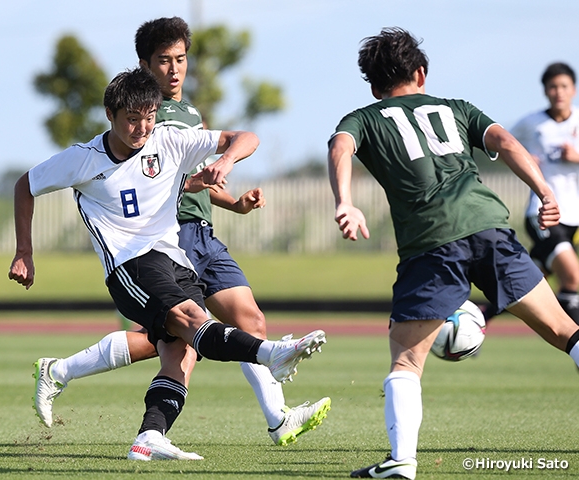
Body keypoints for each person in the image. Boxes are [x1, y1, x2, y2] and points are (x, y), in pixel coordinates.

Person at [29, 17, 331, 449]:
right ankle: (272, 402)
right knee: (184, 339)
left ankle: (98, 397)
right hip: (168, 236)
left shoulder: (185, 113)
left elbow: (193, 174)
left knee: (206, 333)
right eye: (164, 61)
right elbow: (161, 182)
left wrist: (231, 197)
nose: (174, 69)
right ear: (144, 66)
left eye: (181, 59)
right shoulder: (147, 119)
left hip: (199, 233)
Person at [327, 27, 579, 479]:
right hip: (490, 227)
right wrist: (544, 191)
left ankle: (402, 462)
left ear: (372, 86)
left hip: (432, 243)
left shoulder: (364, 118)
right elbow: (505, 142)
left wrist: (344, 201)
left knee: (406, 361)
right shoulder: (457, 108)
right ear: (421, 73)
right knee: (566, 330)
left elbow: (340, 146)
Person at [511, 62, 579, 324]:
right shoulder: (532, 124)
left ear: (573, 89)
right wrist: (523, 158)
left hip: (573, 217)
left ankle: (480, 320)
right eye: (553, 87)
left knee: (524, 284)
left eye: (563, 86)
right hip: (543, 214)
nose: (558, 92)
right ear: (545, 91)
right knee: (572, 276)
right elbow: (502, 146)